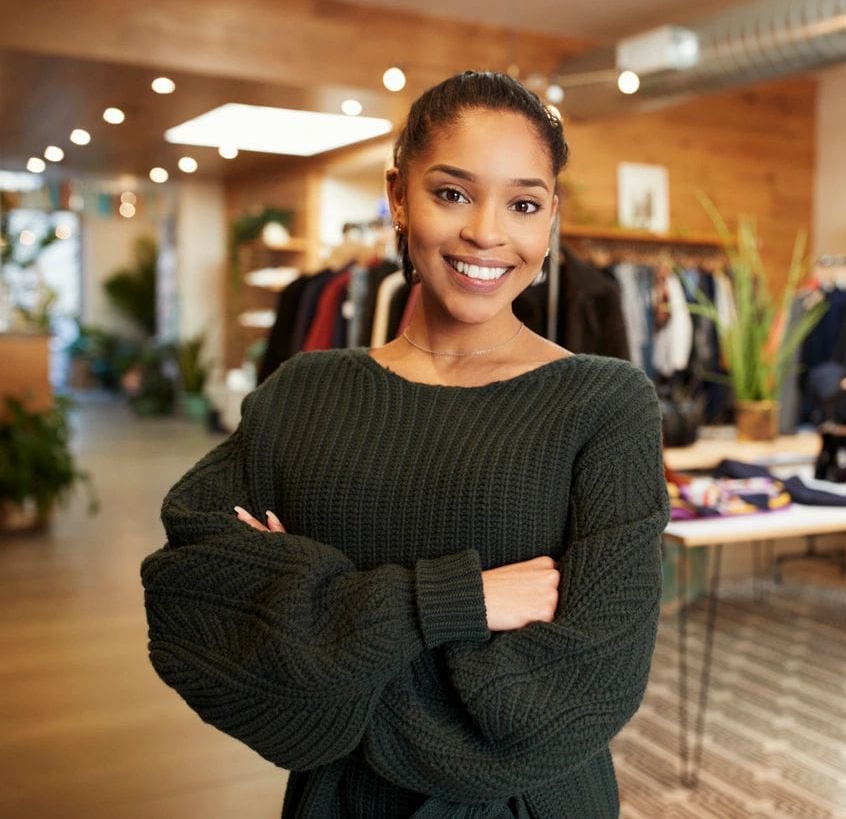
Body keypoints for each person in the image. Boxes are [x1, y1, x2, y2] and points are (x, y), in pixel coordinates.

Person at [141, 71, 669, 818]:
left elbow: (590, 682)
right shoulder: (305, 394)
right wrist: (454, 601)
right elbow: (192, 601)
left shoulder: (605, 405)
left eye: (523, 203)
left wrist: (330, 654)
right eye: (452, 193)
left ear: (550, 219)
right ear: (397, 196)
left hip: (528, 803)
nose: (487, 231)